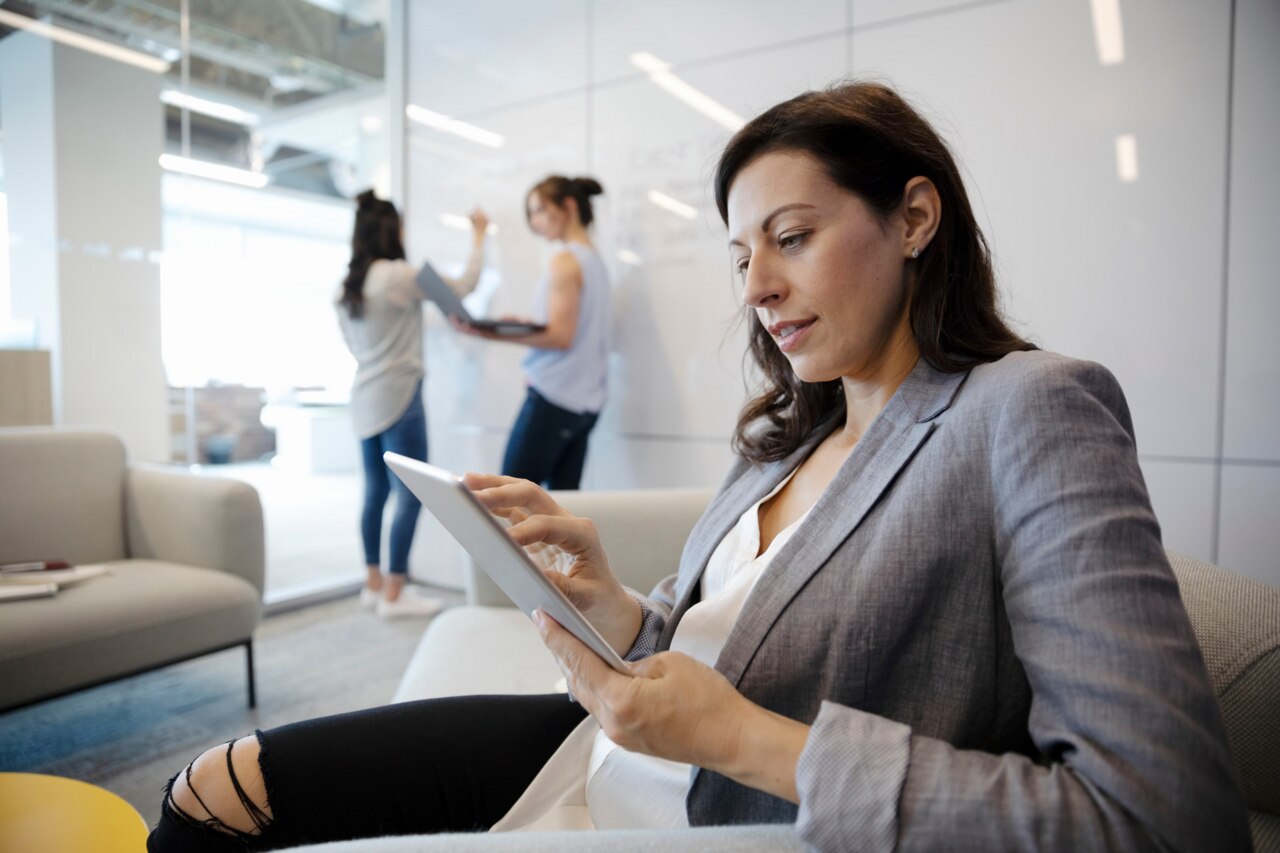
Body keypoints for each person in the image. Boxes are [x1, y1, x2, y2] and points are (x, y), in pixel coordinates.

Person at [147, 83, 1249, 852]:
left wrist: (742, 742)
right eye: (740, 254)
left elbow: (1166, 820)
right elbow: (709, 649)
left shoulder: (1028, 409)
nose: (758, 286)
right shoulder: (790, 428)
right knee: (202, 796)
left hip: (717, 816)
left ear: (914, 216)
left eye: (791, 235)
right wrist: (615, 605)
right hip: (597, 753)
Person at [335, 189, 489, 618]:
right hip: (401, 396)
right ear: (391, 231)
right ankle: (396, 591)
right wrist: (479, 236)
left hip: (364, 397)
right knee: (411, 494)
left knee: (375, 493)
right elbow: (462, 291)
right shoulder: (399, 275)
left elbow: (353, 345)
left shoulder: (346, 287)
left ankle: (373, 584)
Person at [454, 175, 611, 491]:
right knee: (561, 511)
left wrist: (492, 333)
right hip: (585, 404)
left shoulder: (565, 261)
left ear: (568, 206)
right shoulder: (595, 261)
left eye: (539, 210)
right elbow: (568, 329)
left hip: (553, 399)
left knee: (507, 502)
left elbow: (560, 337)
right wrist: (527, 323)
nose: (535, 221)